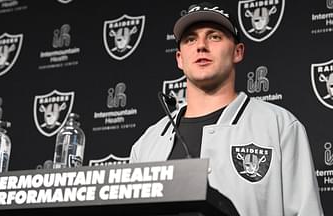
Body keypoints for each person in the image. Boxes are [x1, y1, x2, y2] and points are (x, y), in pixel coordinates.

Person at [129, 1, 324, 215]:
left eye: (214, 36)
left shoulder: (279, 126)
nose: (201, 46)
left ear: (238, 52)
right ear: (179, 59)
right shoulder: (147, 143)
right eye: (190, 39)